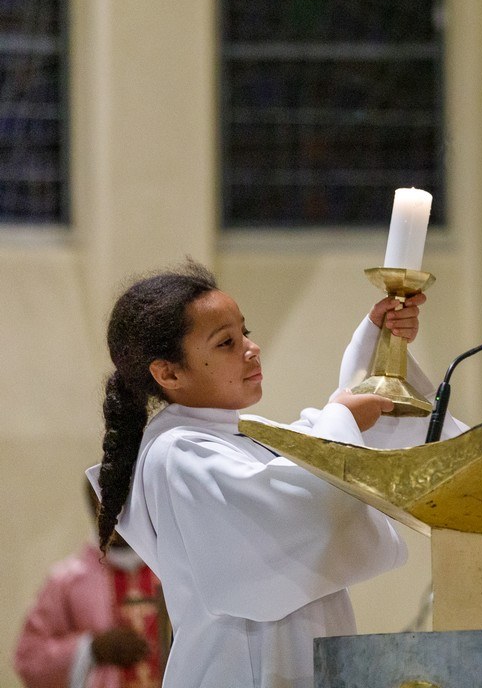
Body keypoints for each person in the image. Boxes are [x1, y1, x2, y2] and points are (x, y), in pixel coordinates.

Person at [86, 262, 461, 688]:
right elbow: (306, 510)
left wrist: (379, 348)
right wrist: (342, 418)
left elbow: (313, 450)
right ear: (169, 373)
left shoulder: (238, 437)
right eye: (226, 342)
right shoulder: (178, 453)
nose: (251, 348)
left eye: (244, 332)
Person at [13, 483, 166, 688]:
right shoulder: (66, 581)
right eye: (105, 504)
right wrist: (91, 649)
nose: (117, 512)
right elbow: (29, 659)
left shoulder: (171, 572)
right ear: (92, 507)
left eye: (125, 501)